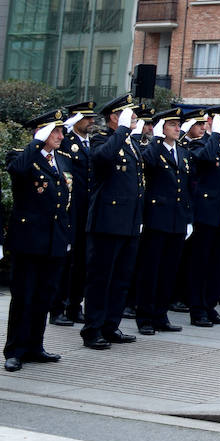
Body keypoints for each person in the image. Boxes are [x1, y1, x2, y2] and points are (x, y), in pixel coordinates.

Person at [4, 110, 73, 372]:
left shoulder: (63, 161)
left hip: (55, 240)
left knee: (44, 296)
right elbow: (17, 170)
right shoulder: (22, 156)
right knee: (24, 297)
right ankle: (15, 351)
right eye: (54, 131)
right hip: (29, 240)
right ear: (41, 133)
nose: (60, 135)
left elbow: (67, 201)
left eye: (60, 131)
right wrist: (36, 142)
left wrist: (67, 236)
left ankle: (35, 346)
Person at [83, 95, 146, 350]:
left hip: (129, 222)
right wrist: (121, 129)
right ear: (114, 117)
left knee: (121, 278)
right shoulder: (103, 139)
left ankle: (111, 325)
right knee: (101, 279)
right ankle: (93, 329)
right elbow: (103, 158)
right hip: (107, 223)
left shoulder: (130, 144)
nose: (133, 118)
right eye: (127, 114)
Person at [135, 109, 195, 335]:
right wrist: (156, 140)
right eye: (172, 125)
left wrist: (188, 218)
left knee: (169, 270)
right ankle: (145, 317)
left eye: (178, 125)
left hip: (177, 219)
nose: (177, 129)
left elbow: (188, 187)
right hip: (156, 218)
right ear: (162, 128)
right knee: (150, 270)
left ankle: (160, 314)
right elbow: (146, 163)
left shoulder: (183, 152)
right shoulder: (153, 150)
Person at [186, 109, 220, 328]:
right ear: (209, 122)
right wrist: (215, 133)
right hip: (205, 214)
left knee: (217, 266)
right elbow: (205, 158)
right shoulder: (200, 143)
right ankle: (197, 310)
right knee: (200, 265)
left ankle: (210, 306)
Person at [52, 101, 96, 327]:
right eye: (86, 118)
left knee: (81, 260)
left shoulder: (91, 143)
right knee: (66, 260)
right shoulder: (66, 143)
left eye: (92, 118)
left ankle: (74, 305)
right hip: (71, 209)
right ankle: (57, 307)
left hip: (87, 209)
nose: (91, 121)